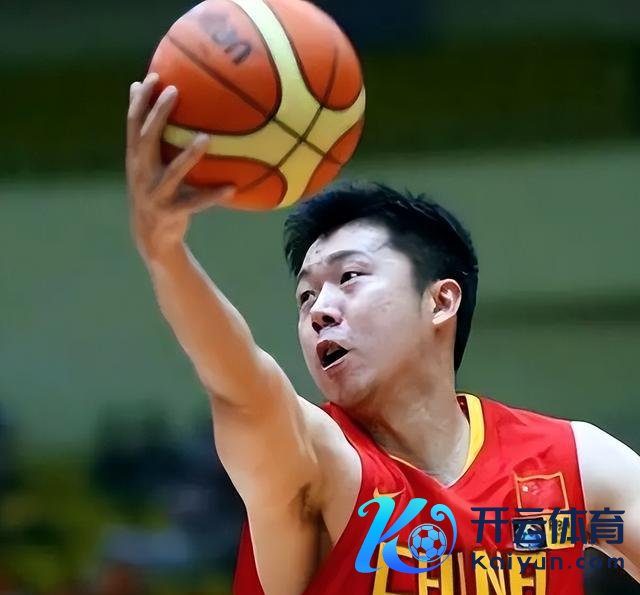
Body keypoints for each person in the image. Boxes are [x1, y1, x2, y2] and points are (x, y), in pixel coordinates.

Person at [126, 72, 640, 594]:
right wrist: (167, 255)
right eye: (305, 298)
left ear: (441, 301)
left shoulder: (570, 469)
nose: (320, 311)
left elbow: (589, 528)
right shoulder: (318, 462)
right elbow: (241, 387)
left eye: (349, 277)